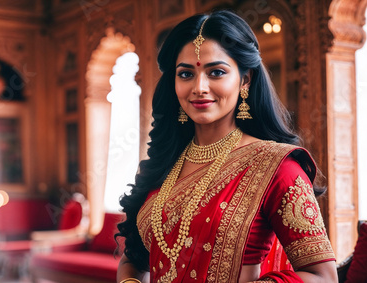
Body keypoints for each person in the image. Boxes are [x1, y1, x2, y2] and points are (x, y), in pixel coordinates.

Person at [115, 10, 338, 283]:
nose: (199, 87)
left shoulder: (276, 167)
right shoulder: (165, 163)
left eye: (216, 72)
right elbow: (135, 258)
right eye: (185, 74)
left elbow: (323, 276)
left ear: (245, 80)